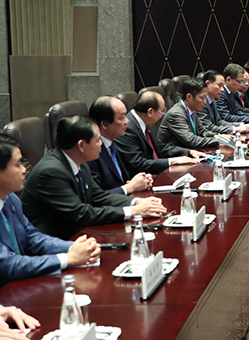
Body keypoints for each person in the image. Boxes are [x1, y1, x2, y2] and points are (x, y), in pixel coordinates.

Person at [21, 116, 166, 240]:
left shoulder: (79, 161)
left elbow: (98, 197)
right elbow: (81, 213)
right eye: (97, 140)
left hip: (81, 233)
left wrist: (137, 202)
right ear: (81, 145)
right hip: (58, 241)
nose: (101, 143)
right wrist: (134, 211)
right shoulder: (50, 172)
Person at [0, 134, 100, 286]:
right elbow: (7, 264)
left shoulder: (11, 199)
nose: (24, 169)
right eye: (18, 164)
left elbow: (32, 238)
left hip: (21, 285)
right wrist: (68, 258)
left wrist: (75, 248)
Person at [114, 90, 205, 176]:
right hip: (143, 178)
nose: (162, 115)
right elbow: (137, 163)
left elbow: (161, 147)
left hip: (155, 172)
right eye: (162, 111)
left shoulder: (145, 122)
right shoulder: (128, 129)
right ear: (150, 112)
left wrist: (188, 152)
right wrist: (172, 161)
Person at [87, 96, 154, 194]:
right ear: (104, 124)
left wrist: (141, 181)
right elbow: (96, 196)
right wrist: (130, 187)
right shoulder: (91, 153)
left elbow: (121, 180)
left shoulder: (111, 143)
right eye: (122, 118)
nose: (127, 121)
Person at [158, 77, 229, 150]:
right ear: (189, 97)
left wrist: (219, 136)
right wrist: (218, 140)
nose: (205, 101)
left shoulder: (191, 110)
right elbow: (191, 140)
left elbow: (203, 132)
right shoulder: (176, 114)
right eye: (202, 98)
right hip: (177, 154)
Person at [200, 70, 249, 135]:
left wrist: (240, 125)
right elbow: (208, 127)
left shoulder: (212, 100)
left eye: (223, 86)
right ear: (208, 84)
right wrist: (234, 129)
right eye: (219, 85)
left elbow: (219, 121)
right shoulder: (201, 102)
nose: (222, 89)